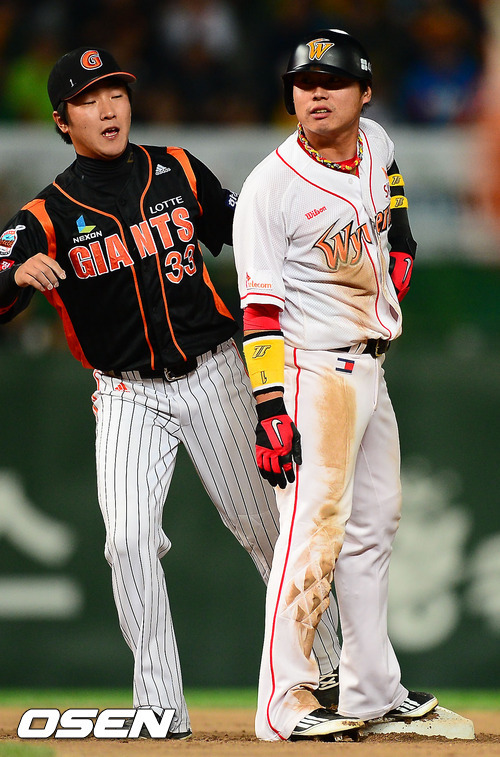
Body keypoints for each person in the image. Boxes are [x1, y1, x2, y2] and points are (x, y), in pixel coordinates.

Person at [0, 47, 342, 739]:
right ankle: (160, 708)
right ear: (62, 121)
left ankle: (336, 674)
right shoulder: (46, 214)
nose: (108, 109)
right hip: (127, 394)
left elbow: (252, 236)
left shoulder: (178, 170)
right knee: (127, 543)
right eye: (88, 100)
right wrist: (12, 277)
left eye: (115, 93)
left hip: (217, 372)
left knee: (269, 530)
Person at [233, 29, 438, 741]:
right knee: (311, 534)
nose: (316, 94)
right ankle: (283, 703)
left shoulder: (376, 143)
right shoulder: (271, 186)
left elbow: (396, 210)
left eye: (333, 83)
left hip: (371, 364)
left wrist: (400, 253)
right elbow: (258, 312)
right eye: (303, 84)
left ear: (365, 92)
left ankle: (371, 689)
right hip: (311, 368)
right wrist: (270, 407)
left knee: (374, 527)